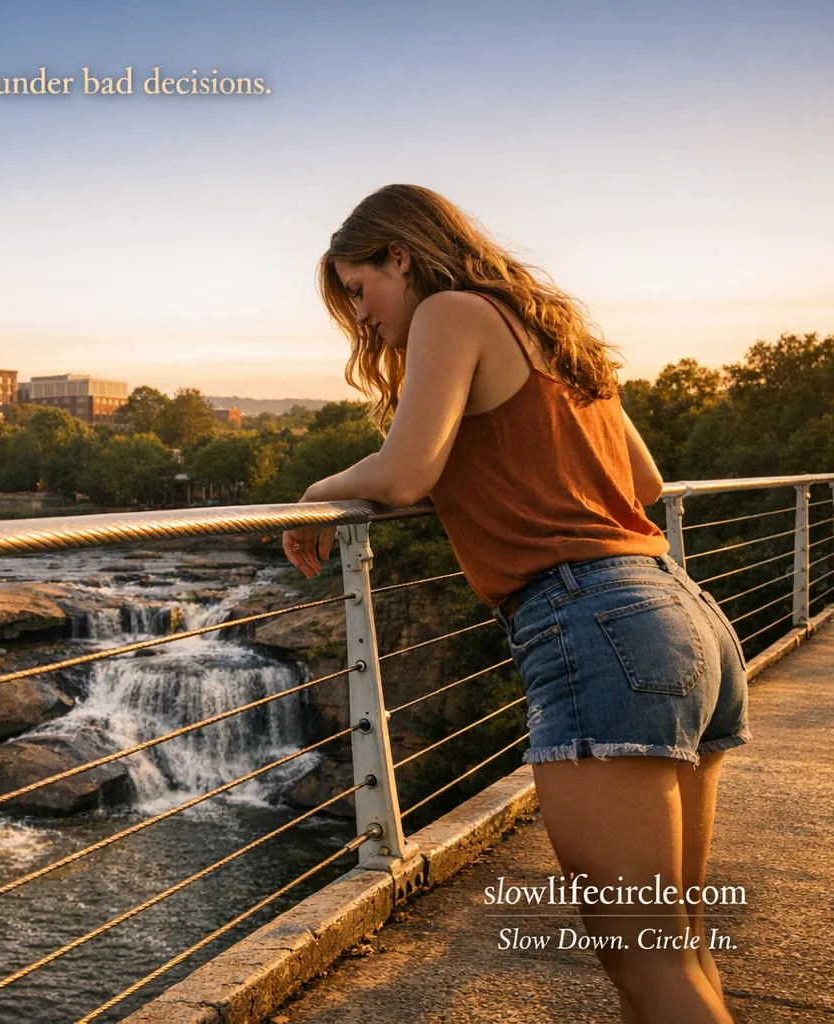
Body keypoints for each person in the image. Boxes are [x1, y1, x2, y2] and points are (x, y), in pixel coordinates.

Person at [282, 184, 746, 1024]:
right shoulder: (547, 328)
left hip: (597, 625)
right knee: (672, 945)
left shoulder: (449, 312)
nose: (362, 316)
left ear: (401, 254)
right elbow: (641, 483)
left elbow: (406, 471)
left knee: (651, 966)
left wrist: (319, 491)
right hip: (683, 618)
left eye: (360, 289)